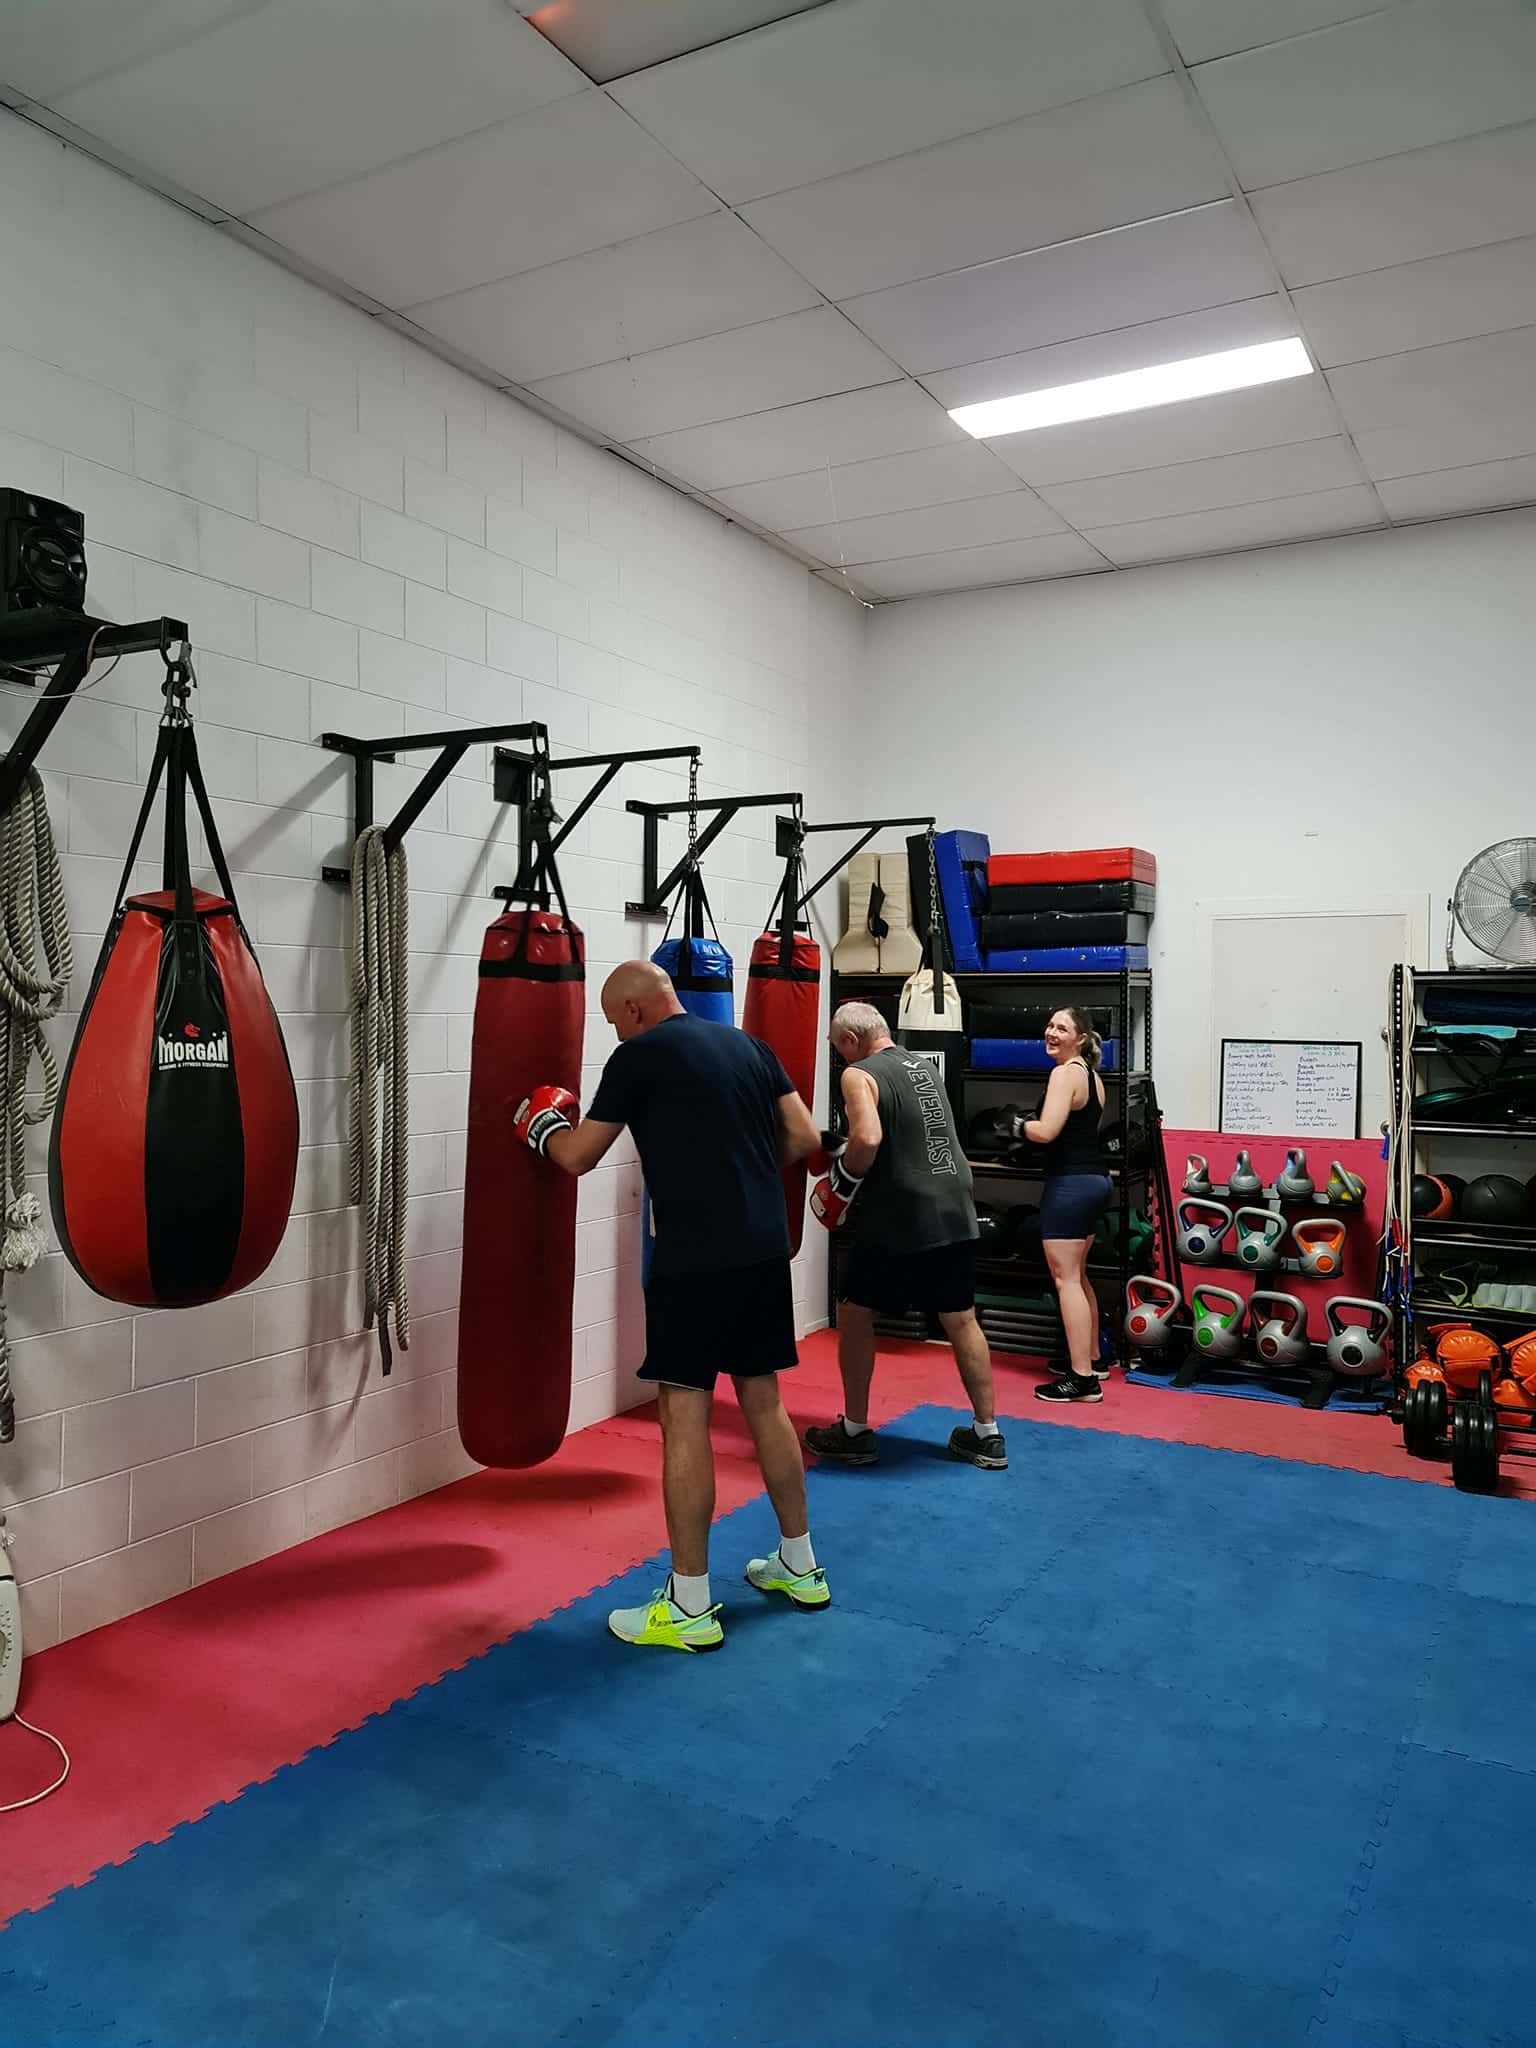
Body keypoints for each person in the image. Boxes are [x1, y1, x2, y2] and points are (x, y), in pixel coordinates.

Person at [515, 959, 829, 1653]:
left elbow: (578, 1157)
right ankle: (799, 1565)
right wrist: (742, 1168)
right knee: (763, 1398)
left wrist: (538, 1126)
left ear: (632, 1010)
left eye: (610, 1022)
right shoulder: (750, 1045)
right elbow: (806, 1140)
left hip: (694, 1257)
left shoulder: (640, 1056)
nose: (612, 1034)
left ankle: (689, 1603)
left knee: (682, 1412)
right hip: (760, 1247)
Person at [803, 1001, 1005, 1470]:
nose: (842, 1059)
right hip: (955, 1202)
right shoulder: (922, 1065)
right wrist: (840, 1147)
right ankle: (987, 1435)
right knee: (960, 1317)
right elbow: (910, 1135)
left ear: (851, 1041)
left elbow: (870, 1138)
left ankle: (854, 1432)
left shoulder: (859, 1074)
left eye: (840, 1050)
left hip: (901, 1212)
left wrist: (841, 1187)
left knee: (853, 1312)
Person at [1017, 1006, 1113, 1404]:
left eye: (1062, 1028)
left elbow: (1047, 1131)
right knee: (1079, 1275)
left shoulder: (1063, 1074)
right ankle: (1091, 1359)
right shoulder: (1093, 1077)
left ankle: (1082, 1379)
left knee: (1065, 1279)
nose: (1052, 1032)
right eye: (1051, 1025)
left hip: (1070, 1185)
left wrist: (1019, 1125)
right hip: (1095, 1180)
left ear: (1080, 1038)